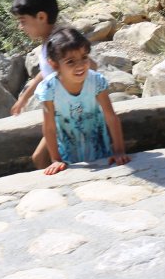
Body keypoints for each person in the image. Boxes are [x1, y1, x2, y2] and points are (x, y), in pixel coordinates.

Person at [34, 27, 130, 175]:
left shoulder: (96, 81)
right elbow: (49, 127)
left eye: (84, 57)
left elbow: (110, 116)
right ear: (54, 64)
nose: (80, 65)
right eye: (70, 61)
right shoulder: (49, 89)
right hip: (68, 153)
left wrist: (119, 151)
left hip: (99, 148)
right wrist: (55, 159)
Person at [9, 0, 60, 169]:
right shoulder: (49, 43)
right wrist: (24, 97)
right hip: (57, 114)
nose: (20, 27)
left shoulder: (59, 44)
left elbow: (89, 66)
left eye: (23, 21)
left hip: (67, 116)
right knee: (41, 158)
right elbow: (46, 72)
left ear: (41, 17)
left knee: (41, 158)